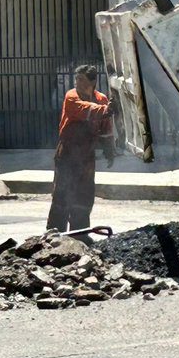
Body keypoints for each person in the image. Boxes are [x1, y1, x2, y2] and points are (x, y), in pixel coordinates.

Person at [46, 65, 113, 235]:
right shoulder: (71, 96)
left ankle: (80, 233)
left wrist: (109, 148)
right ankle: (55, 233)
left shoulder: (102, 99)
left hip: (87, 155)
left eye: (81, 79)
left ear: (93, 81)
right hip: (67, 153)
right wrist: (106, 110)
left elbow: (106, 127)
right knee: (62, 192)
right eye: (76, 79)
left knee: (84, 195)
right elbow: (83, 109)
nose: (77, 82)